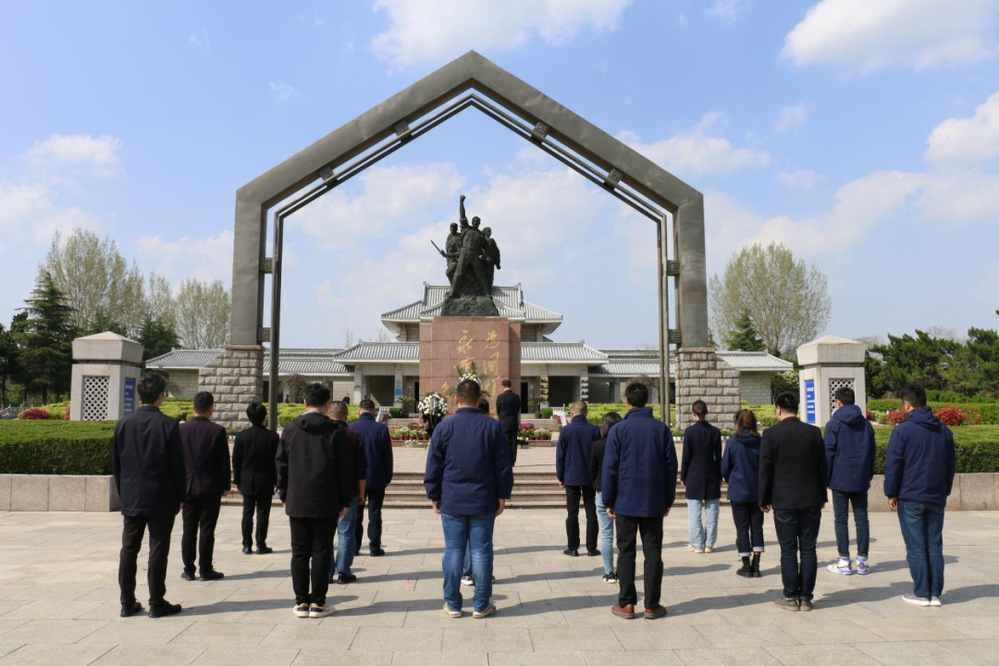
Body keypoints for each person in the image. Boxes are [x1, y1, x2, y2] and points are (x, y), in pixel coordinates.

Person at [425, 379, 513, 619]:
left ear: (456, 400)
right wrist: (503, 494)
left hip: (452, 499)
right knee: (481, 552)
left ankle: (453, 604)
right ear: (479, 400)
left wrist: (434, 494)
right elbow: (503, 465)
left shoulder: (444, 427)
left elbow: (434, 465)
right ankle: (481, 604)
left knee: (453, 551)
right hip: (483, 499)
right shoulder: (492, 427)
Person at [276, 383, 353, 618]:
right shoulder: (336, 431)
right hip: (326, 500)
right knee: (321, 550)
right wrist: (345, 500)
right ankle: (318, 603)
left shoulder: (291, 430)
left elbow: (281, 465)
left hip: (297, 499)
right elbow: (345, 469)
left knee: (299, 552)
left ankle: (301, 602)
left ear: (304, 403)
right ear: (327, 405)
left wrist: (283, 494)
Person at [112, 372, 185, 618]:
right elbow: (178, 465)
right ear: (161, 395)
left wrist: (124, 493)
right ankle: (156, 602)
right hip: (161, 496)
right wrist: (181, 495)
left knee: (128, 549)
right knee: (158, 548)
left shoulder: (123, 424)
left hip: (132, 496)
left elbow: (117, 465)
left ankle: (126, 602)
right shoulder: (168, 425)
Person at [602, 382, 677, 620]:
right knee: (653, 552)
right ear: (648, 400)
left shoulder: (618, 430)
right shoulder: (661, 429)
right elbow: (671, 467)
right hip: (653, 500)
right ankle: (652, 605)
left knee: (626, 552)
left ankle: (627, 603)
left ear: (627, 401)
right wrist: (668, 499)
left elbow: (610, 468)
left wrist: (608, 499)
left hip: (625, 500)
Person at [885, 384, 956, 607]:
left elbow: (894, 464)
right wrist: (944, 490)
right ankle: (935, 593)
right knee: (934, 545)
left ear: (907, 405)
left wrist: (891, 492)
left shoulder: (903, 431)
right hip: (935, 496)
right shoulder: (944, 431)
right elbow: (950, 465)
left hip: (911, 496)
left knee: (916, 546)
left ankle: (922, 592)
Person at [759, 392, 827, 612]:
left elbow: (765, 470)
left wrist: (763, 498)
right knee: (809, 550)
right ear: (797, 408)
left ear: (778, 408)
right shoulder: (813, 433)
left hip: (784, 500)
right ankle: (806, 598)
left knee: (788, 551)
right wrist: (822, 496)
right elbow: (822, 468)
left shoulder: (771, 434)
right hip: (811, 499)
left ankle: (790, 597)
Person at [824, 386, 876, 576]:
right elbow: (872, 452)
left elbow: (828, 453)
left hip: (839, 479)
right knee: (862, 520)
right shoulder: (866, 424)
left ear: (838, 402)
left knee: (841, 520)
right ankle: (862, 561)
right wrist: (868, 474)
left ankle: (844, 561)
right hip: (860, 478)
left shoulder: (833, 425)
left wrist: (826, 477)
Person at [179, 391, 231, 581]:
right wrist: (225, 485)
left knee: (188, 529)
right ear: (211, 408)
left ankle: (188, 569)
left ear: (194, 407)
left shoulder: (181, 430)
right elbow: (223, 461)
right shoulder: (217, 431)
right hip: (210, 487)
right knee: (207, 529)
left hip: (187, 486)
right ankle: (205, 569)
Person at [721, 409, 764, 577]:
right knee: (757, 527)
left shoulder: (732, 442)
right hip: (757, 490)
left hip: (738, 490)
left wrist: (730, 479)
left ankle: (746, 565)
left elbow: (725, 467)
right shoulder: (760, 442)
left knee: (742, 527)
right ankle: (757, 564)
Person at [232, 402, 279, 555]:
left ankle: (246, 544)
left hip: (247, 479)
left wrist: (237, 480)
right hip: (265, 479)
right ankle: (261, 544)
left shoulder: (241, 437)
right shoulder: (272, 437)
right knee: (263, 513)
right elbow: (276, 462)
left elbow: (236, 461)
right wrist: (277, 481)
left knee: (247, 513)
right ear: (264, 416)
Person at [556, 401, 602, 557]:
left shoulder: (566, 430)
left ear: (572, 412)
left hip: (571, 476)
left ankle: (573, 547)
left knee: (572, 513)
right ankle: (591, 548)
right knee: (591, 512)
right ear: (586, 413)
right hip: (590, 477)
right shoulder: (594, 430)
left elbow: (560, 456)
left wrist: (561, 476)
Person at [329, 400, 366, 584]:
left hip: (326, 491)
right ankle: (343, 571)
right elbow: (361, 470)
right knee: (346, 532)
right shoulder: (353, 436)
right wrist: (361, 493)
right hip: (348, 490)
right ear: (346, 416)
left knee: (326, 533)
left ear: (328, 414)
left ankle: (326, 572)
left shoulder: (323, 434)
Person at [351, 398, 394, 557]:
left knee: (356, 514)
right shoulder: (381, 429)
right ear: (374, 411)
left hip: (355, 478)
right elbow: (387, 456)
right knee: (375, 513)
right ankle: (375, 547)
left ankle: (354, 547)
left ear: (359, 411)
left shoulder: (351, 428)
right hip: (376, 476)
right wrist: (387, 476)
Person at [681, 400, 722, 554]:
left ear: (693, 413)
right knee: (712, 514)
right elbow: (718, 457)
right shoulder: (715, 432)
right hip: (712, 474)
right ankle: (709, 544)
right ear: (706, 412)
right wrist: (720, 476)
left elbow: (686, 457)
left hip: (694, 475)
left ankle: (697, 544)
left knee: (694, 515)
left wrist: (683, 476)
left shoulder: (689, 432)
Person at [590, 411, 622, 583]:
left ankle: (609, 572)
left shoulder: (597, 445)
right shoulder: (624, 445)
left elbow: (592, 470)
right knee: (623, 535)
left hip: (602, 491)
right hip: (622, 493)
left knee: (606, 534)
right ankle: (623, 570)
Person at [495, 378, 521, 467]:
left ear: (503, 386)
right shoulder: (516, 397)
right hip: (513, 422)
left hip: (503, 423)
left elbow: (498, 410)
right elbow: (517, 409)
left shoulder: (500, 397)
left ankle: (506, 459)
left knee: (505, 441)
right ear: (510, 386)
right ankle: (513, 460)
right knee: (514, 441)